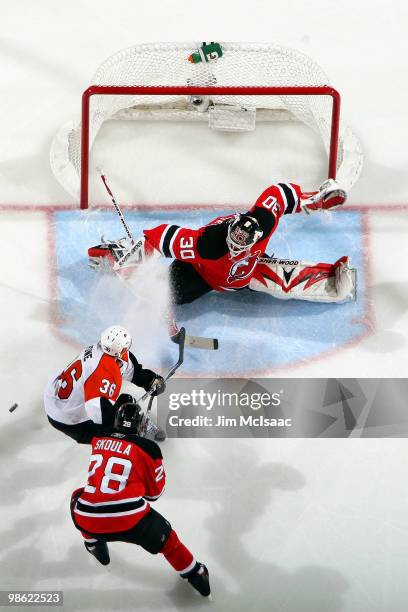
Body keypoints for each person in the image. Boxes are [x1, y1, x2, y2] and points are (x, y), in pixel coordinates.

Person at [88, 179, 356, 305]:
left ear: (255, 238)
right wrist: (133, 265)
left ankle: (333, 278)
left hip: (247, 272)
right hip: (203, 275)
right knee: (170, 297)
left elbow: (279, 195)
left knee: (285, 283)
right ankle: (118, 252)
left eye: (243, 244)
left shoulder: (261, 222)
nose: (236, 245)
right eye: (234, 242)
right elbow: (160, 237)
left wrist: (311, 201)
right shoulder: (207, 245)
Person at [70, 401, 211, 597]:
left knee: (78, 496)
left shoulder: (98, 439)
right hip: (130, 518)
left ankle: (94, 545)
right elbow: (154, 494)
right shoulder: (149, 447)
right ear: (140, 424)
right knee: (170, 543)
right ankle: (197, 574)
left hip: (88, 517)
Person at [44, 325, 166, 444]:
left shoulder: (102, 349)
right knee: (121, 424)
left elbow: (131, 369)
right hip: (69, 420)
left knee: (126, 401)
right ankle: (135, 431)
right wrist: (120, 429)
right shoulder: (104, 370)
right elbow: (95, 408)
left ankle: (137, 423)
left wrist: (150, 380)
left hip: (55, 396)